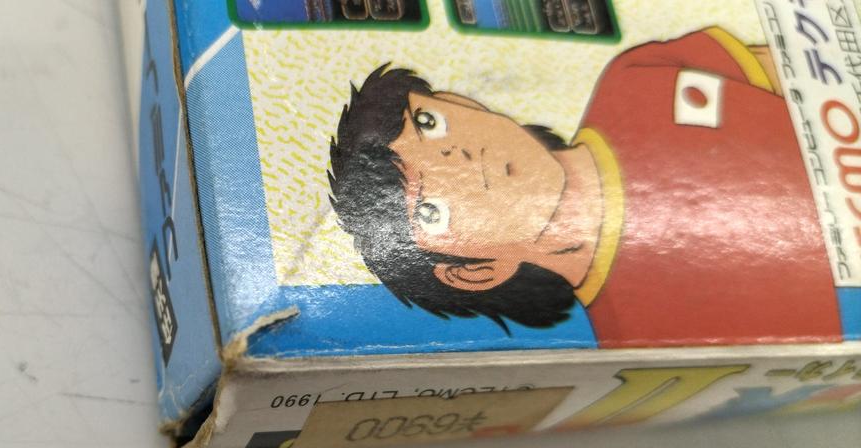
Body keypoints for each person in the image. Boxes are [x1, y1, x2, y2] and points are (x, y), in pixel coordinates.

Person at [329, 27, 844, 347]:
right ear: (478, 270)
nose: (460, 160)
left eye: (430, 123)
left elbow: (829, 69)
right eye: (432, 208)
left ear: (462, 102)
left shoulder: (637, 79)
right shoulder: (648, 340)